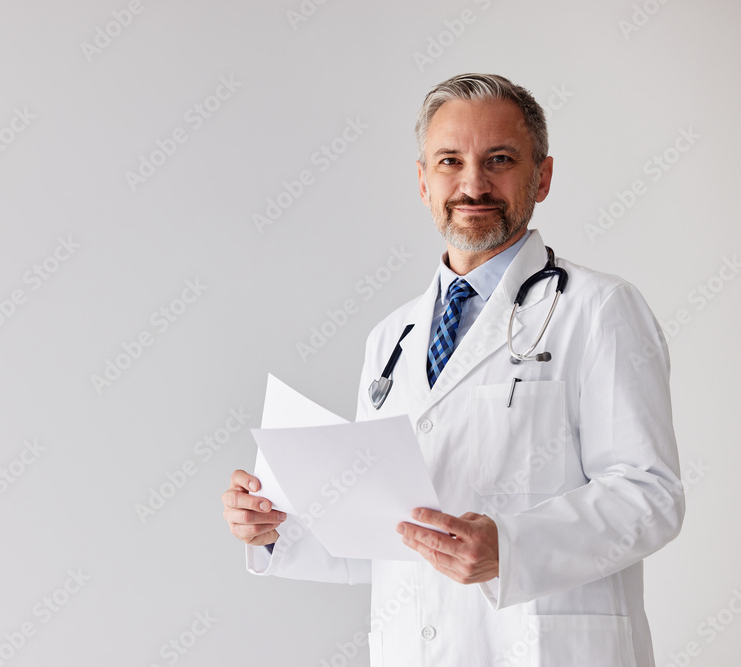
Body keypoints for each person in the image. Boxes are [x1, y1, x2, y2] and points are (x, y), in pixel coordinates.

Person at [221, 73, 684, 666]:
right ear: (422, 181)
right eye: (449, 161)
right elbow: (385, 533)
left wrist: (513, 548)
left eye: (499, 159)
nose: (473, 183)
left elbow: (651, 495)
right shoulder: (392, 337)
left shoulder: (599, 309)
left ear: (541, 177)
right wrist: (275, 525)